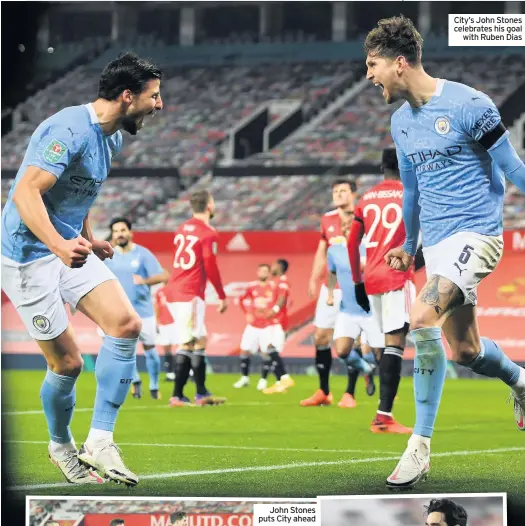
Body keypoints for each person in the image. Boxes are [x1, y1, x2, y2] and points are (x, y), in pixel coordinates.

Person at [364, 15, 525, 488]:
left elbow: (512, 168)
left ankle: (419, 446)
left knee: (421, 317)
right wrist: (409, 246)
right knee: (465, 350)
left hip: (477, 236)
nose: (369, 76)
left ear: (398, 63)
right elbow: (411, 194)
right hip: (436, 246)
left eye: (372, 65)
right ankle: (520, 381)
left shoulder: (471, 104)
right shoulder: (400, 122)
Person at [1, 51, 163, 486]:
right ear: (127, 96)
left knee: (126, 324)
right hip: (28, 257)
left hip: (69, 246)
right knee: (68, 364)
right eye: (154, 95)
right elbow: (26, 194)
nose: (159, 104)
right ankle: (60, 445)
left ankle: (100, 442)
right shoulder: (67, 129)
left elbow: (79, 193)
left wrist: (88, 238)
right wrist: (57, 245)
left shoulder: (113, 137)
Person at [347, 147, 413, 433]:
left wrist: (357, 282)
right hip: (396, 276)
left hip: (371, 277)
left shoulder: (366, 198)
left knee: (387, 344)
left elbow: (352, 243)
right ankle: (384, 416)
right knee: (395, 343)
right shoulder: (410, 193)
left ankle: (383, 412)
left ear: (381, 167)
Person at [165, 190, 228, 407]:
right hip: (189, 292)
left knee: (198, 338)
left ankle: (200, 392)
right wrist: (221, 295)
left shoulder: (182, 229)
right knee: (189, 341)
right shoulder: (208, 232)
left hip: (176, 289)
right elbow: (210, 264)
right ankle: (179, 395)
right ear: (209, 206)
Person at [301, 179, 357, 407]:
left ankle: (350, 393)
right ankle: (324, 391)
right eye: (335, 191)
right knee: (321, 338)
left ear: (354, 194)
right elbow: (322, 250)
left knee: (352, 342)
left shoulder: (364, 216)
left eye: (343, 191)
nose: (338, 194)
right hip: (331, 288)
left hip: (355, 287)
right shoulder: (327, 219)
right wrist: (314, 278)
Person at [104, 217, 169, 400]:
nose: (120, 234)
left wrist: (145, 281)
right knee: (126, 352)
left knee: (151, 350)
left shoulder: (143, 254)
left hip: (144, 312)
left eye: (123, 230)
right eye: (116, 231)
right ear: (113, 235)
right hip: (119, 314)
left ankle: (154, 386)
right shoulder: (108, 255)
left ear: (130, 233)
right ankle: (136, 381)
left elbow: (164, 276)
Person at [326, 224, 383, 408]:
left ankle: (385, 401)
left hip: (371, 309)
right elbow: (332, 272)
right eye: (344, 226)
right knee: (342, 350)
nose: (347, 228)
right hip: (347, 310)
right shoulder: (334, 250)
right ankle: (366, 369)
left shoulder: (371, 246)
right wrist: (329, 293)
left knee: (380, 354)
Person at [263, 258, 295, 394]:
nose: (272, 267)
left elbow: (282, 299)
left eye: (274, 265)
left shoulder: (282, 282)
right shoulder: (277, 282)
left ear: (280, 267)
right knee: (269, 349)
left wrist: (274, 310)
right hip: (274, 321)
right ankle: (279, 384)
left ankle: (285, 377)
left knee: (271, 349)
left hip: (278, 321)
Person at [153, 283, 177, 381]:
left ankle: (175, 373)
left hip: (172, 322)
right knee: (169, 347)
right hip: (167, 323)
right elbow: (157, 307)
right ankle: (171, 373)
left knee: (173, 348)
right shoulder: (160, 291)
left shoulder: (174, 290)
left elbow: (157, 307)